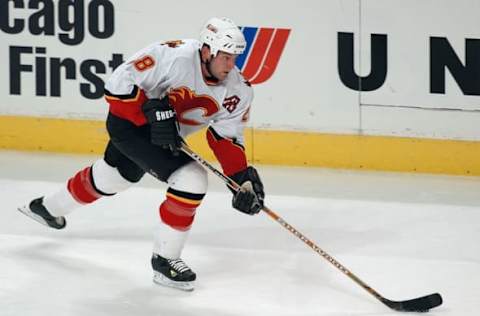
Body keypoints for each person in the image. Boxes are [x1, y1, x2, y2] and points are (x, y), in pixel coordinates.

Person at [17, 17, 265, 291]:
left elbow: (226, 137)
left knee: (114, 177)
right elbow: (117, 85)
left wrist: (240, 177)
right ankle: (165, 261)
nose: (230, 66)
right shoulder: (173, 55)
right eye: (225, 58)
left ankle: (46, 208)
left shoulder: (239, 90)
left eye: (234, 59)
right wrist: (150, 115)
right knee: (191, 178)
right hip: (129, 124)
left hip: (166, 138)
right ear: (206, 51)